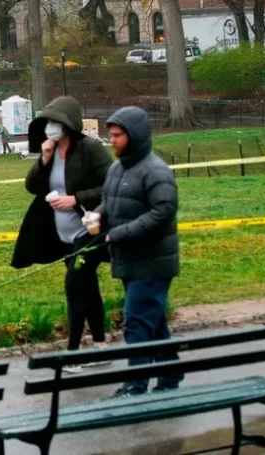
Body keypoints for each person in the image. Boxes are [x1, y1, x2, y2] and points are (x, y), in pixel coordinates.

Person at [11, 96, 113, 375]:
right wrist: (43, 159)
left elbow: (112, 186)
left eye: (56, 123)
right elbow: (32, 186)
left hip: (89, 229)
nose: (51, 128)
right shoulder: (51, 151)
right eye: (48, 123)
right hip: (62, 234)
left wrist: (75, 198)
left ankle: (73, 353)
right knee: (88, 287)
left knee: (74, 288)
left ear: (69, 125)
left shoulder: (90, 149)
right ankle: (102, 346)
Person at [91, 106, 182, 396]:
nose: (113, 140)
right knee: (152, 322)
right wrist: (98, 216)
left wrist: (118, 234)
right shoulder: (118, 169)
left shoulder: (156, 171)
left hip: (153, 262)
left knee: (137, 321)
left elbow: (162, 214)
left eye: (118, 135)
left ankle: (135, 383)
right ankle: (170, 373)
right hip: (129, 259)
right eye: (112, 135)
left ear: (135, 136)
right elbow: (109, 201)